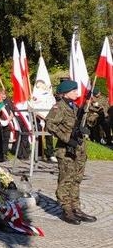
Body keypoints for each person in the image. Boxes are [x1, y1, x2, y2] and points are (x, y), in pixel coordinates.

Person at [45, 79, 96, 225]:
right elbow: (49, 125)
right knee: (66, 179)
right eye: (74, 91)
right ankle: (66, 209)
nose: (76, 93)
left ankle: (76, 208)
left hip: (79, 149)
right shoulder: (59, 107)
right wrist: (67, 138)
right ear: (66, 93)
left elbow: (83, 123)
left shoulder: (74, 107)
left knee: (76, 179)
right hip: (66, 150)